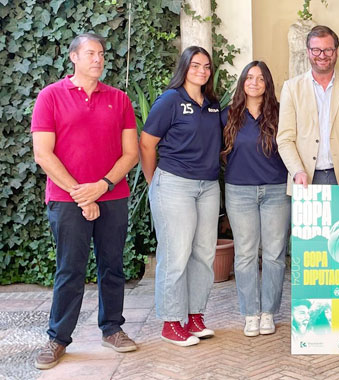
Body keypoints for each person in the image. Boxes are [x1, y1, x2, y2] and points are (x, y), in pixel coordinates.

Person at [31, 33, 140, 369]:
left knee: (113, 266)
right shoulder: (50, 97)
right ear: (73, 57)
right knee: (70, 269)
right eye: (90, 53)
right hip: (67, 199)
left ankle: (112, 329)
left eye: (101, 53)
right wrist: (82, 193)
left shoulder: (119, 99)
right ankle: (58, 338)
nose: (98, 59)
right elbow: (42, 154)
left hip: (113, 196)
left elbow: (131, 153)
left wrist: (102, 186)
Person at [139, 46, 222, 347]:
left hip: (208, 187)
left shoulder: (212, 104)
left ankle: (195, 316)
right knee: (175, 255)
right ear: (184, 68)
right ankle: (171, 322)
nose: (201, 71)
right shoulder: (170, 100)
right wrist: (154, 183)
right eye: (195, 65)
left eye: (206, 66)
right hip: (174, 184)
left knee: (204, 253)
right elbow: (147, 144)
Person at [221, 61, 290, 337]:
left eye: (260, 78)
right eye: (249, 77)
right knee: (246, 254)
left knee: (274, 254)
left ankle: (268, 313)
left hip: (276, 190)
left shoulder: (281, 113)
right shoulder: (228, 115)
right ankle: (250, 313)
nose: (254, 82)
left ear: (267, 83)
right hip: (239, 191)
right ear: (242, 82)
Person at [277, 25, 339, 191]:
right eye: (316, 50)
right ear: (308, 52)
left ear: (336, 51)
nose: (322, 56)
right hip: (305, 180)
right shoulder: (291, 88)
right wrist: (297, 171)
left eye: (328, 50)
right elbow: (285, 139)